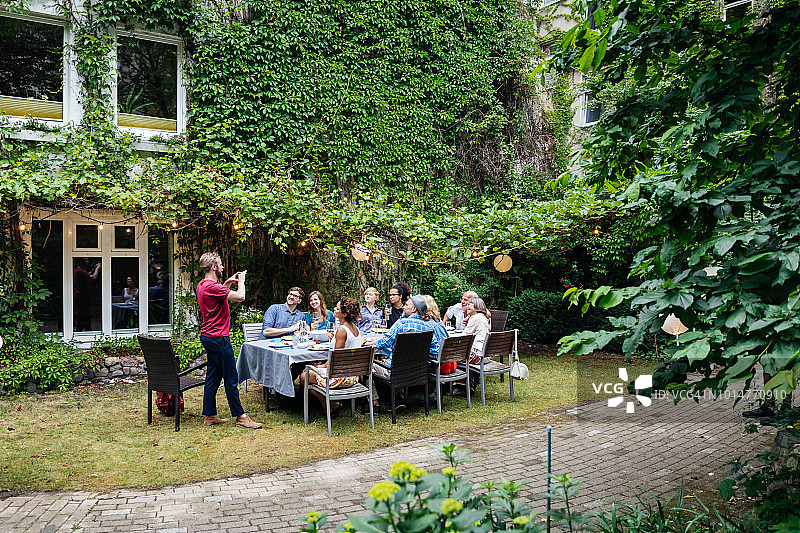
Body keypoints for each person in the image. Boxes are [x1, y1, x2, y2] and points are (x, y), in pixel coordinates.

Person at [196, 251, 261, 429]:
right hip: (218, 338)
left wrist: (228, 283)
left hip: (209, 337)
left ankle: (209, 416)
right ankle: (241, 416)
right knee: (231, 377)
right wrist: (241, 282)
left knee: (213, 377)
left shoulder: (203, 285)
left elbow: (219, 294)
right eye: (220, 264)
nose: (223, 266)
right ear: (213, 267)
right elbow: (240, 297)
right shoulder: (212, 287)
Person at [299, 297, 362, 415]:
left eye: (337, 308)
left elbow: (335, 359)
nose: (334, 309)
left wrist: (322, 366)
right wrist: (335, 340)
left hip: (340, 377)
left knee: (304, 376)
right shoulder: (355, 328)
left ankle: (331, 404)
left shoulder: (342, 330)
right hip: (353, 375)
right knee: (313, 370)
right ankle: (329, 406)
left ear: (344, 313)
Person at [74, 258, 100, 331]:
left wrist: (93, 269)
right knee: (84, 315)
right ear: (81, 261)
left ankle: (87, 330)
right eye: (86, 260)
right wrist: (97, 269)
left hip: (78, 295)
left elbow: (87, 274)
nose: (88, 261)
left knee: (84, 315)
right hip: (83, 296)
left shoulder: (77, 270)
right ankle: (79, 330)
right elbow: (93, 278)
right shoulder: (81, 272)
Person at [463, 296, 491, 363]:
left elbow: (464, 337)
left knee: (450, 355)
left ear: (476, 306)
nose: (467, 307)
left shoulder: (475, 318)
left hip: (477, 355)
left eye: (469, 304)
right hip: (486, 355)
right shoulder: (483, 317)